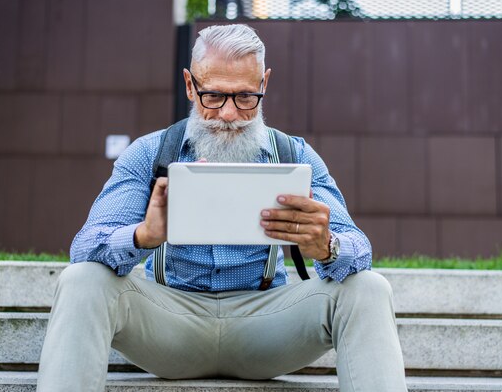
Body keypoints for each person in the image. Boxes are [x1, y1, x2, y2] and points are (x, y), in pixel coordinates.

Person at [36, 24, 407, 392]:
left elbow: (360, 251)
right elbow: (84, 248)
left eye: (246, 97)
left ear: (264, 85)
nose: (229, 114)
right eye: (212, 96)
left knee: (369, 288)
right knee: (81, 280)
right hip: (169, 324)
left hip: (267, 326)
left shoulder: (295, 156)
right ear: (189, 85)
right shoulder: (149, 153)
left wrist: (328, 247)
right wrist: (142, 235)